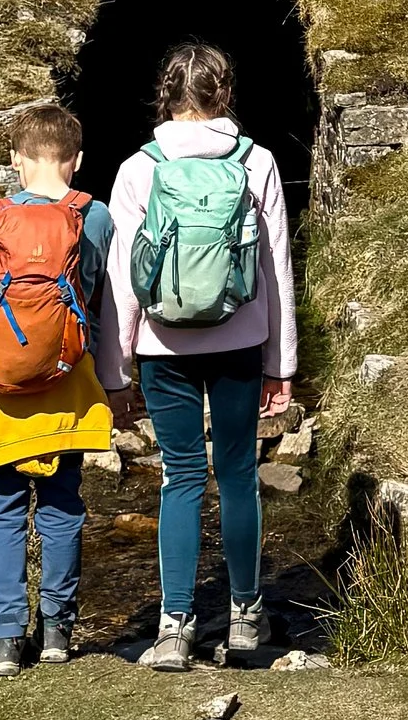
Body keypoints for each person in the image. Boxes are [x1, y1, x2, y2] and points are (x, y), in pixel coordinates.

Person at [100, 38, 296, 672]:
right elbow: (275, 269)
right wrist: (280, 363)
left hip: (162, 346)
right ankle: (244, 618)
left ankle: (175, 626)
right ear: (226, 95)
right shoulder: (257, 161)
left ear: (164, 97)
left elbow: (124, 280)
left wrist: (116, 370)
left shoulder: (138, 169)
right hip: (240, 341)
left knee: (180, 476)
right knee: (238, 474)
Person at [0, 101, 117, 675]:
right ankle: (57, 633)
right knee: (64, 507)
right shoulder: (94, 217)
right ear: (77, 161)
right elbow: (100, 302)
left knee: (1, 510)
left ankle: (2, 637)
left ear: (16, 161)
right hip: (68, 383)